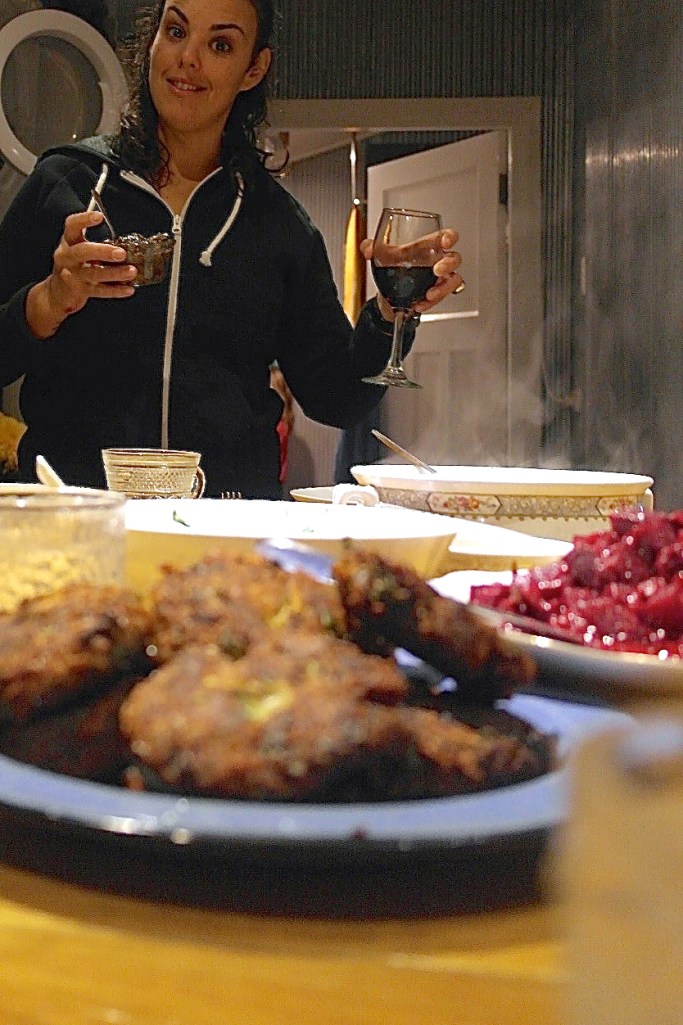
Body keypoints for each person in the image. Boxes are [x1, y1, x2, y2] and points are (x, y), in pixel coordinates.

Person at [0, 0, 464, 498]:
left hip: (230, 521)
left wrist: (392, 314)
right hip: (78, 513)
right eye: (176, 31)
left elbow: (335, 398)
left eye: (220, 44)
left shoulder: (279, 224)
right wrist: (47, 302)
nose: (188, 58)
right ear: (152, 41)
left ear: (253, 69)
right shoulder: (64, 182)